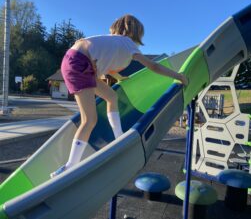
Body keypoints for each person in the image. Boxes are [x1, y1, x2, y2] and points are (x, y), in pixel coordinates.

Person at [50, 14, 188, 178]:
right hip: (79, 63)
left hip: (79, 61)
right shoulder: (128, 44)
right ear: (136, 33)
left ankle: (118, 138)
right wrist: (178, 76)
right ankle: (69, 166)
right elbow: (153, 66)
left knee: (111, 96)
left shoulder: (111, 42)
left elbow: (108, 67)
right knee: (89, 120)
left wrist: (120, 78)